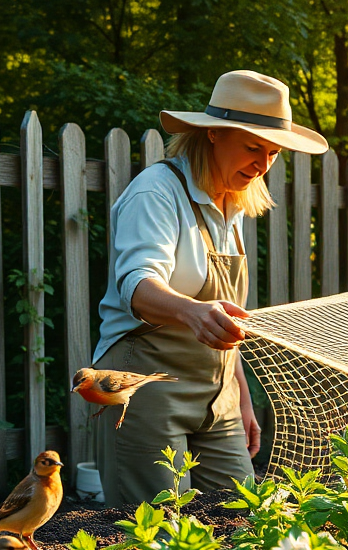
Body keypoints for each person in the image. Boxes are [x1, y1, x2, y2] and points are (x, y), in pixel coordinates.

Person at [92, 70, 329, 505]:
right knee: (159, 534)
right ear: (215, 134)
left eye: (274, 152)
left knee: (242, 518)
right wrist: (191, 311)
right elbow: (136, 284)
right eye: (254, 146)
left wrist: (238, 395)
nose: (263, 164)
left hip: (216, 395)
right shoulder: (157, 193)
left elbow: (225, 320)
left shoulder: (230, 206)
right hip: (143, 388)